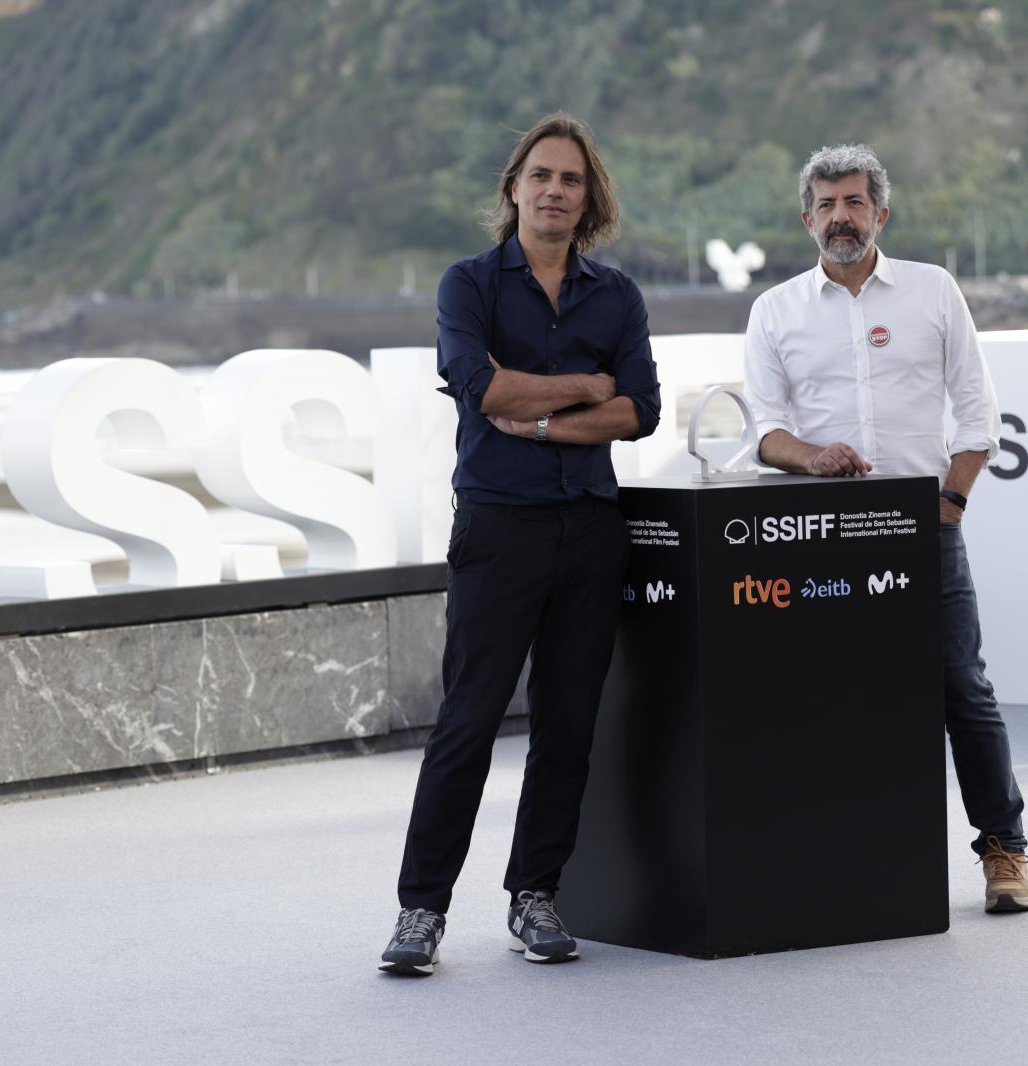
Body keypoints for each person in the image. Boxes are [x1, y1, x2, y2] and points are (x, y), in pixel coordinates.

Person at [377, 113, 661, 975]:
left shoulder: (617, 297)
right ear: (513, 188)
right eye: (540, 175)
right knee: (466, 723)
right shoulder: (467, 286)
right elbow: (479, 387)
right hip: (499, 527)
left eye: (571, 180)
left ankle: (534, 897)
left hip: (592, 531)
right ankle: (420, 912)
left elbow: (640, 410)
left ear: (589, 198)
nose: (554, 190)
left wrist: (530, 418)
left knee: (567, 726)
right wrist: (578, 390)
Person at [741, 143, 1028, 913]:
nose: (842, 216)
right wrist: (811, 457)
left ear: (881, 212)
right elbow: (766, 432)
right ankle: (838, 856)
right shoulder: (775, 311)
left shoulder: (934, 291)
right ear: (808, 218)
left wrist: (951, 504)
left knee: (962, 690)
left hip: (925, 530)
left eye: (855, 201)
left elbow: (979, 415)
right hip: (819, 537)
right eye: (828, 204)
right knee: (829, 697)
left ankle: (1004, 850)